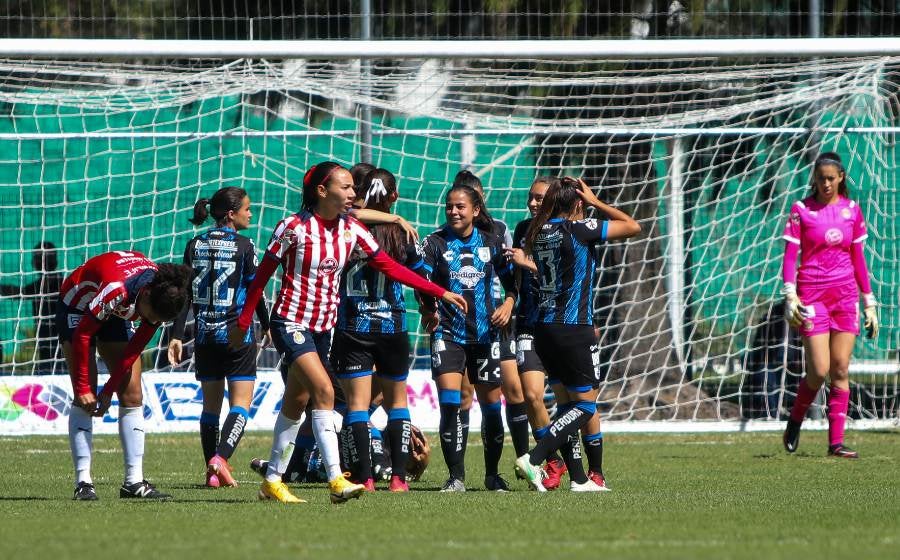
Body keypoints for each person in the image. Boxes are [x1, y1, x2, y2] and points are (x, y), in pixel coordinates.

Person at [229, 161, 466, 504]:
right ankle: (336, 479)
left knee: (298, 401)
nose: (354, 193)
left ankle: (273, 479)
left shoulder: (351, 229)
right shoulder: (293, 228)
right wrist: (244, 321)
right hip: (291, 322)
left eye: (354, 188)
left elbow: (389, 266)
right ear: (322, 192)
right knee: (325, 391)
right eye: (346, 187)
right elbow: (262, 276)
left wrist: (439, 292)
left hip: (323, 328)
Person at [514, 176, 640, 492]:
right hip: (572, 328)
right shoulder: (578, 230)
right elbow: (631, 225)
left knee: (566, 402)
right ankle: (535, 457)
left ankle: (581, 479)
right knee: (584, 406)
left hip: (543, 328)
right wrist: (596, 202)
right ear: (577, 204)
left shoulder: (536, 232)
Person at [58, 251, 192, 500]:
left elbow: (134, 349)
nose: (150, 321)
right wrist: (86, 388)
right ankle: (83, 483)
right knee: (84, 392)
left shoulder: (159, 298)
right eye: (150, 315)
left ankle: (133, 482)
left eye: (156, 320)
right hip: (78, 305)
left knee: (132, 394)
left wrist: (108, 391)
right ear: (146, 294)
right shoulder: (117, 290)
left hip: (116, 311)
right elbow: (84, 334)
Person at [418, 181, 524, 492]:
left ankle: (492, 475)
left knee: (492, 406)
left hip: (486, 335)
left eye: (460, 206)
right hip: (448, 334)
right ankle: (456, 477)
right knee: (451, 404)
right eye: (449, 206)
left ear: (475, 211)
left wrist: (508, 304)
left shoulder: (492, 243)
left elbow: (512, 284)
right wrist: (428, 308)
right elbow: (419, 282)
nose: (453, 211)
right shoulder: (435, 243)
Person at [168, 186, 270, 488]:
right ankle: (220, 459)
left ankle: (211, 473)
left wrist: (176, 335)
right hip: (236, 334)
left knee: (210, 407)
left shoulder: (194, 244)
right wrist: (266, 324)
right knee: (241, 405)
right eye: (247, 208)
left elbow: (184, 294)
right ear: (231, 213)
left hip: (204, 335)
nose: (251, 213)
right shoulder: (244, 245)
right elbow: (256, 290)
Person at [781, 152, 878, 458]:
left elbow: (858, 259)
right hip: (812, 297)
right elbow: (789, 256)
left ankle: (835, 443)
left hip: (845, 297)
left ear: (840, 179)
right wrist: (790, 294)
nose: (825, 183)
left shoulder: (852, 210)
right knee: (819, 370)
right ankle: (795, 419)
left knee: (840, 369)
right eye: (820, 178)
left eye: (830, 178)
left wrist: (869, 302)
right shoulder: (801, 210)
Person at [332, 168, 422, 492]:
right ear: (393, 197)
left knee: (357, 406)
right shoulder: (404, 235)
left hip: (354, 324)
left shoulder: (346, 229)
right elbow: (422, 276)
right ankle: (398, 478)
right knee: (398, 403)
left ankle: (365, 478)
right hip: (393, 325)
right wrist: (430, 309)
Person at [456, 171, 533, 467]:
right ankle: (457, 471)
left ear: (479, 200)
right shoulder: (444, 234)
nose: (458, 209)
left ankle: (524, 460)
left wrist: (509, 305)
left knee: (513, 390)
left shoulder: (499, 229)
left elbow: (513, 272)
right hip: (460, 319)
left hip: (497, 317)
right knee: (464, 394)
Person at [511, 177, 570, 489]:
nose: (533, 204)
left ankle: (591, 471)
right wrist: (510, 300)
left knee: (573, 403)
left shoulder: (567, 230)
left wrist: (528, 264)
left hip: (563, 324)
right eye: (530, 197)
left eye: (539, 199)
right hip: (530, 324)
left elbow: (568, 277)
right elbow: (514, 277)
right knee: (532, 394)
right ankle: (553, 461)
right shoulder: (523, 230)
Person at [0, 242, 64, 371]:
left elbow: (19, 293)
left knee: (54, 368)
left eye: (37, 257)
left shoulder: (53, 283)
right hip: (48, 337)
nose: (34, 260)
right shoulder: (49, 283)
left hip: (58, 337)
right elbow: (20, 292)